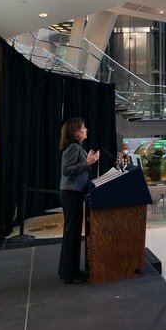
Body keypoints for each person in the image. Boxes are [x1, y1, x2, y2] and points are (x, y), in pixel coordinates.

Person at [58, 118, 99, 283]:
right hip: (71, 194)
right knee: (72, 234)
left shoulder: (76, 147)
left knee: (72, 234)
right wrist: (87, 162)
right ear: (76, 132)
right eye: (83, 128)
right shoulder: (74, 147)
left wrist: (88, 161)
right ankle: (71, 275)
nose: (86, 130)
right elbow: (67, 170)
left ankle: (67, 272)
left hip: (73, 194)